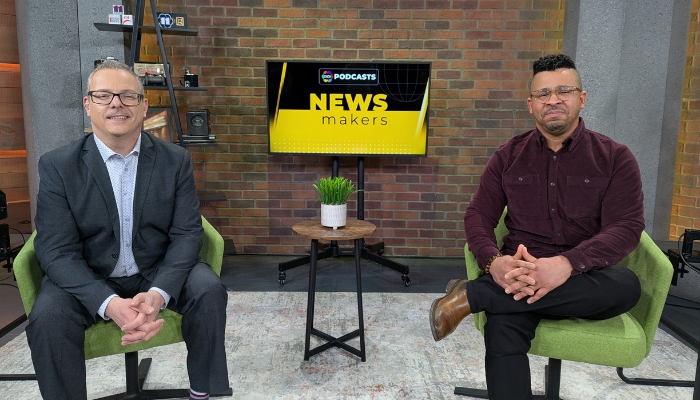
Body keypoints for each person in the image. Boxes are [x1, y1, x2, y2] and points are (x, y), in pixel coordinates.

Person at [429, 54, 644, 399]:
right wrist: (493, 262)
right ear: (531, 104)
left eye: (564, 91)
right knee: (502, 328)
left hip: (585, 277)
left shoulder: (615, 157)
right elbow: (478, 214)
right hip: (518, 269)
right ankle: (495, 292)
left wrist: (566, 264)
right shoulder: (507, 156)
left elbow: (627, 226)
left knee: (626, 287)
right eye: (543, 94)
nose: (553, 100)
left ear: (581, 98)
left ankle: (475, 294)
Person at [26, 60, 230, 400]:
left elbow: (187, 234)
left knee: (209, 289)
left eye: (127, 96)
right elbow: (55, 250)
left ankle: (203, 392)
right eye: (103, 95)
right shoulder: (58, 165)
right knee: (48, 317)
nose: (116, 104)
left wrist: (159, 293)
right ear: (88, 104)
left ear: (144, 106)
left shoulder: (175, 159)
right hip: (90, 274)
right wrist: (107, 303)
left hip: (155, 268)